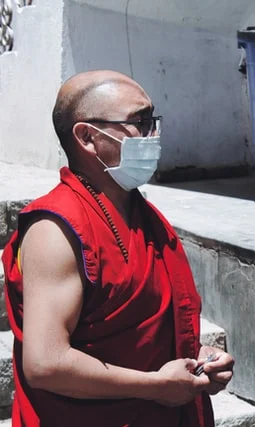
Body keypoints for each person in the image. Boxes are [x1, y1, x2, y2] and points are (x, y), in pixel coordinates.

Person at [1, 70, 234, 427]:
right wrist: (156, 386)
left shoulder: (140, 213)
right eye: (139, 122)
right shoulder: (57, 229)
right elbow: (46, 364)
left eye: (153, 119)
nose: (152, 135)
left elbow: (148, 333)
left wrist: (195, 358)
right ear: (88, 137)